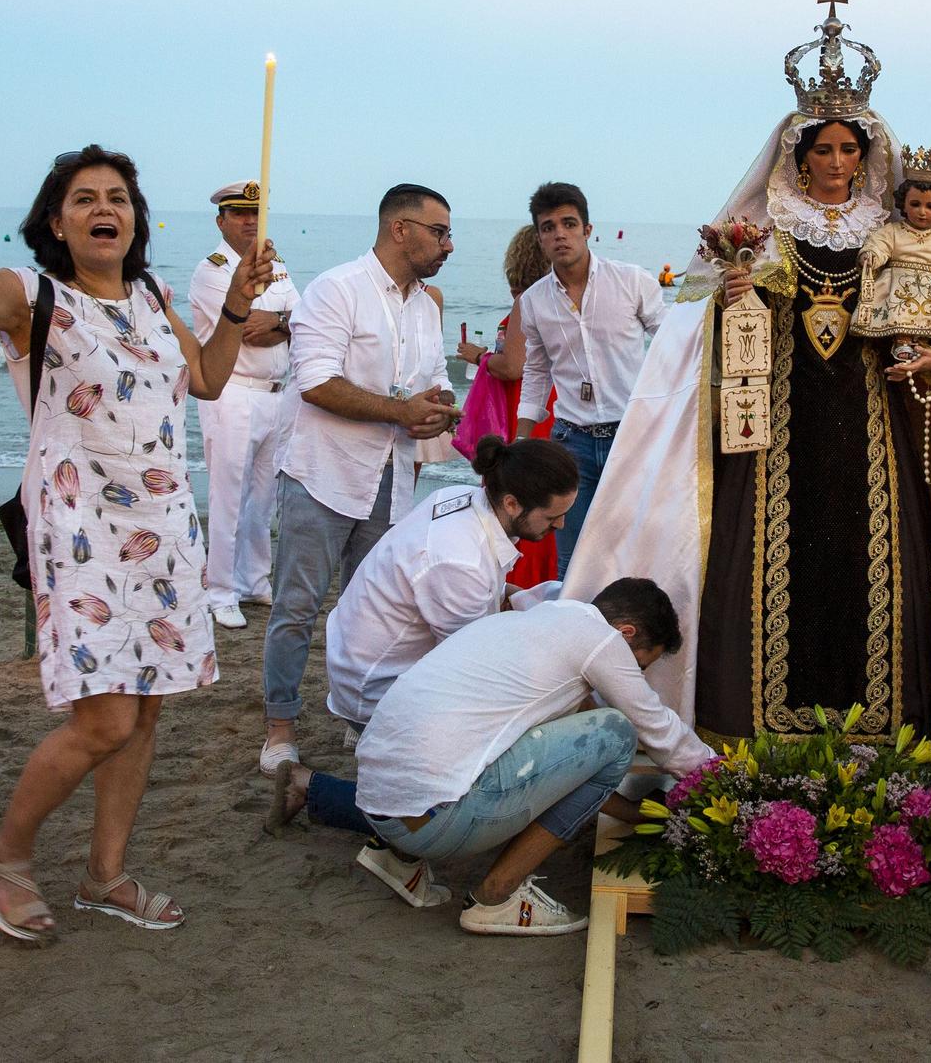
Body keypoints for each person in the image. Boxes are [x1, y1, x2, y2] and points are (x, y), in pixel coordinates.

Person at [558, 0, 931, 751]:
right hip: (774, 435)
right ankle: (754, 727)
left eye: (850, 150)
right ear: (798, 154)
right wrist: (732, 296)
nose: (838, 163)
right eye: (824, 150)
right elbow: (691, 325)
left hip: (875, 429)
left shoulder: (903, 230)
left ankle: (882, 733)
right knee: (767, 566)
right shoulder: (760, 232)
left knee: (876, 562)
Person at [0, 84, 276, 941]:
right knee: (106, 717)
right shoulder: (34, 298)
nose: (103, 209)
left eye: (117, 198)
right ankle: (5, 855)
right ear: (56, 223)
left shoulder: (157, 300)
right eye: (83, 199)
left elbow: (206, 381)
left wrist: (234, 305)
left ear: (135, 219)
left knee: (149, 707)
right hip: (82, 529)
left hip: (163, 531)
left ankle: (104, 874)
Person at [271, 580, 713, 934]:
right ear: (626, 633)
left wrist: (633, 813)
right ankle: (496, 897)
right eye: (638, 665)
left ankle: (394, 857)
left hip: (381, 810)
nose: (632, 673)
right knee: (617, 732)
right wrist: (721, 775)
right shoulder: (599, 641)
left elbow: (573, 767)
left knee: (586, 734)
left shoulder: (531, 621)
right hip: (435, 826)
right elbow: (658, 731)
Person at [259, 184, 460, 777]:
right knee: (297, 606)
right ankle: (280, 726)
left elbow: (434, 377)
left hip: (391, 475)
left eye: (449, 234)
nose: (448, 245)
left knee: (368, 609)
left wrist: (439, 405)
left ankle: (356, 714)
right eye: (439, 232)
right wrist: (401, 411)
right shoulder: (335, 289)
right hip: (322, 472)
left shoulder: (428, 305)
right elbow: (316, 382)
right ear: (400, 229)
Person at [325, 435, 578, 730]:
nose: (560, 525)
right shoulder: (459, 560)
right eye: (552, 517)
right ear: (511, 503)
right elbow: (472, 668)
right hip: (377, 693)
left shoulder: (463, 497)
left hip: (359, 662)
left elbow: (481, 592)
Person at [513, 182, 665, 571]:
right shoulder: (533, 302)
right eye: (549, 227)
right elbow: (536, 370)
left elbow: (672, 343)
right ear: (540, 238)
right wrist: (522, 439)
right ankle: (576, 631)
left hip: (631, 437)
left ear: (587, 229)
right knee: (574, 561)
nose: (560, 234)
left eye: (568, 223)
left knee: (637, 552)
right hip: (570, 443)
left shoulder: (632, 282)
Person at [188, 180, 298, 631]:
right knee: (229, 495)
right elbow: (248, 328)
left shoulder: (280, 267)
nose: (250, 221)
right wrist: (281, 323)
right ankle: (220, 591)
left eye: (256, 213)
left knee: (264, 496)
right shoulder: (213, 271)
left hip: (275, 392)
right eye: (239, 214)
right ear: (222, 221)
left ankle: (254, 580)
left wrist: (281, 322)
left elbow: (303, 318)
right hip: (231, 390)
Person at [455, 224, 559, 588]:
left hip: (524, 417)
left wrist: (481, 357)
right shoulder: (558, 302)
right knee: (547, 507)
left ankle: (515, 588)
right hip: (552, 411)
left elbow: (513, 366)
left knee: (519, 508)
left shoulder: (525, 303)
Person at [849, 146, 931, 361]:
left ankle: (923, 346)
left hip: (929, 285)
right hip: (897, 282)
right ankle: (901, 342)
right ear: (903, 204)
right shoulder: (893, 231)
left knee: (930, 316)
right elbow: (879, 245)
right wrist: (871, 256)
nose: (922, 211)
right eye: (915, 204)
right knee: (901, 310)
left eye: (930, 206)